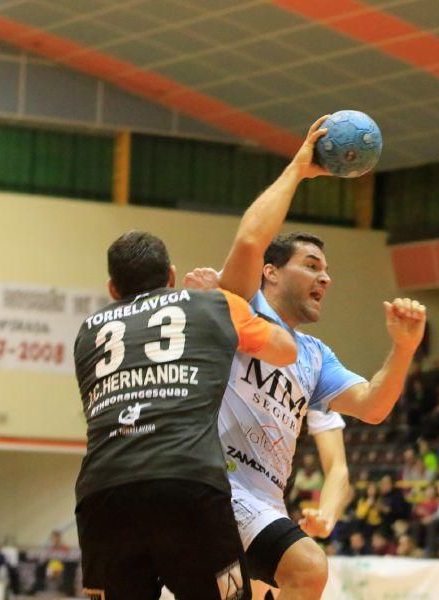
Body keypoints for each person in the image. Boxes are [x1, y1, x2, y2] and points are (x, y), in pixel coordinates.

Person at [184, 116, 427, 600]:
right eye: (311, 266)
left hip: (267, 501)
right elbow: (252, 239)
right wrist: (299, 167)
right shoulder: (236, 306)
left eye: (327, 271)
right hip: (215, 484)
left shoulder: (316, 356)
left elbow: (374, 406)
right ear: (270, 274)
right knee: (308, 569)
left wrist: (403, 349)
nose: (325, 279)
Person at [72, 230, 297, 600]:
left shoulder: (87, 332)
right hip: (187, 482)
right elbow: (285, 351)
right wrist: (220, 295)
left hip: (103, 493)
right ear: (171, 276)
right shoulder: (213, 305)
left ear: (113, 289)